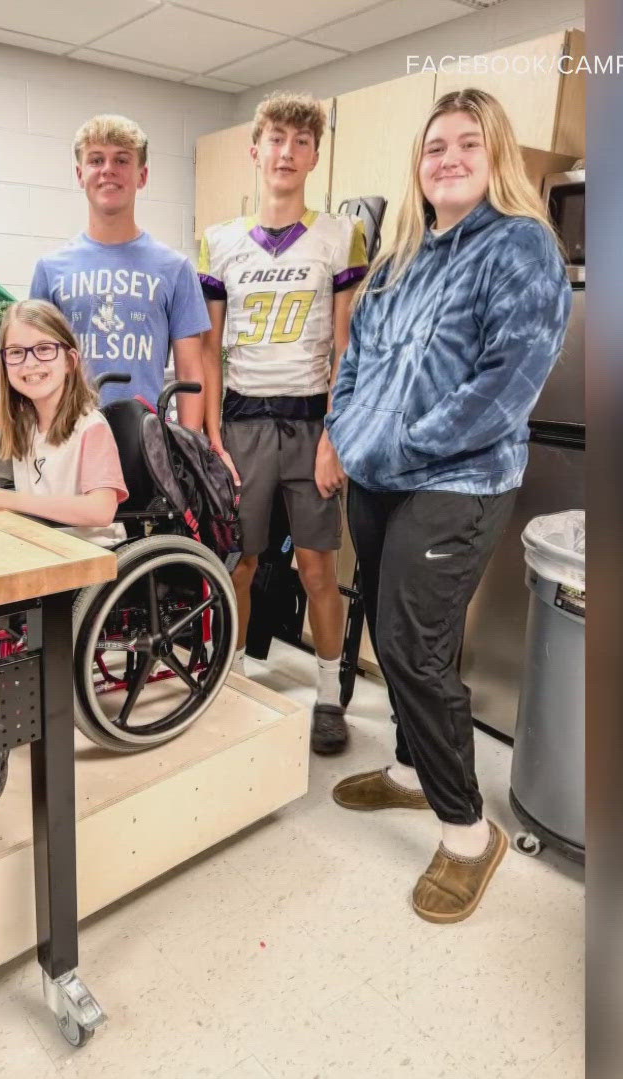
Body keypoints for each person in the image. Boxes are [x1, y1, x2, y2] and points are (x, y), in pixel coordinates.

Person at [325, 89, 570, 924]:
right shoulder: (400, 258)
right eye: (435, 146)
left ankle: (468, 830)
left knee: (411, 645)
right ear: (419, 164)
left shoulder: (521, 248)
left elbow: (505, 386)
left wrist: (394, 446)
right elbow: (354, 362)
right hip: (378, 477)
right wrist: (349, 431)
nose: (450, 157)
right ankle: (405, 768)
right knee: (396, 636)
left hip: (459, 482)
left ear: (496, 154)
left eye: (470, 143)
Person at [197, 92, 368, 755]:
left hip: (309, 425)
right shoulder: (220, 241)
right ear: (255, 150)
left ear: (315, 157)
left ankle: (329, 695)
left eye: (301, 143)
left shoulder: (339, 236)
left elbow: (346, 346)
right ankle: (232, 678)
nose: (287, 153)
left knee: (318, 569)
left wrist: (336, 435)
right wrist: (212, 436)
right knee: (240, 563)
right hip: (242, 424)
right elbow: (208, 348)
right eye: (276, 139)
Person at [31, 115, 211, 433]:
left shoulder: (176, 269)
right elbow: (38, 366)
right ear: (79, 174)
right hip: (71, 439)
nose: (108, 170)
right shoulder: (50, 269)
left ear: (142, 176)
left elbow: (190, 370)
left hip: (145, 443)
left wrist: (190, 449)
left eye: (122, 160)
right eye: (96, 160)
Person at [0, 300, 126, 548]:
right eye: (16, 352)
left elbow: (100, 511)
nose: (30, 362)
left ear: (70, 361)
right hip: (38, 546)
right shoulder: (21, 425)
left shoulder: (91, 427)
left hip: (90, 554)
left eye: (44, 349)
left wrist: (9, 500)